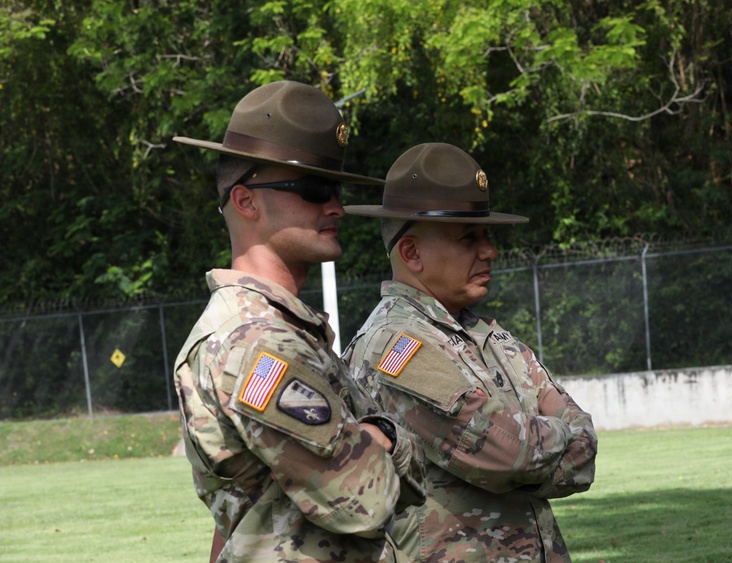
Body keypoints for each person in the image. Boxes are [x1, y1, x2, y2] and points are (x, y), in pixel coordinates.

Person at [172, 80, 425, 563]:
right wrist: (387, 434)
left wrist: (376, 440)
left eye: (335, 189)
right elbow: (364, 499)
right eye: (311, 189)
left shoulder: (284, 330)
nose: (336, 206)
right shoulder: (256, 341)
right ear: (246, 201)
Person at [342, 142, 598, 562]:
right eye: (469, 238)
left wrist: (539, 445)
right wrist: (548, 443)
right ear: (412, 253)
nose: (490, 250)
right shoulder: (396, 346)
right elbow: (509, 451)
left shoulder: (487, 337)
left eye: (487, 235)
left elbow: (584, 444)